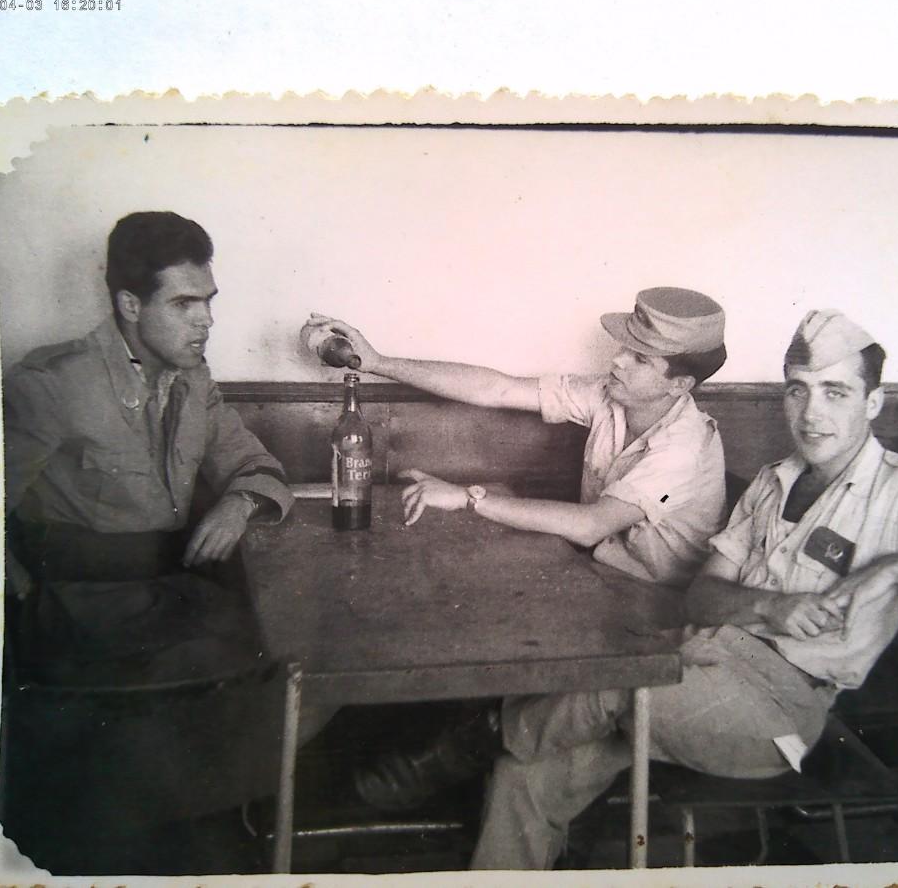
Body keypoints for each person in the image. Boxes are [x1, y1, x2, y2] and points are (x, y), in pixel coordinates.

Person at [470, 309, 898, 870]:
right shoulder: (775, 481)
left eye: (835, 393)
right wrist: (768, 605)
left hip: (782, 710)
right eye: (798, 391)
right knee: (525, 773)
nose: (812, 413)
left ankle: (471, 740)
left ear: (872, 403)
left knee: (617, 687)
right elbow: (702, 597)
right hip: (700, 657)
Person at [305, 286, 731, 808]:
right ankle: (420, 753)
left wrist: (468, 498)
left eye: (639, 358)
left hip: (652, 613)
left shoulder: (685, 448)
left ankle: (436, 760)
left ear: (679, 384)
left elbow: (592, 526)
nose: (616, 361)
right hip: (595, 582)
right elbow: (497, 389)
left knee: (480, 610)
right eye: (624, 348)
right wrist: (378, 361)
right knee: (465, 596)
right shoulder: (613, 396)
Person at [1, 211, 302, 873]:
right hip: (81, 609)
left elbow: (258, 465)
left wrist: (239, 500)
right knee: (231, 667)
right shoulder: (52, 385)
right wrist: (20, 605)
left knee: (283, 653)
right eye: (185, 304)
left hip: (167, 594)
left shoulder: (193, 382)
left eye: (209, 303)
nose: (206, 321)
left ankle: (208, 830)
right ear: (129, 305)